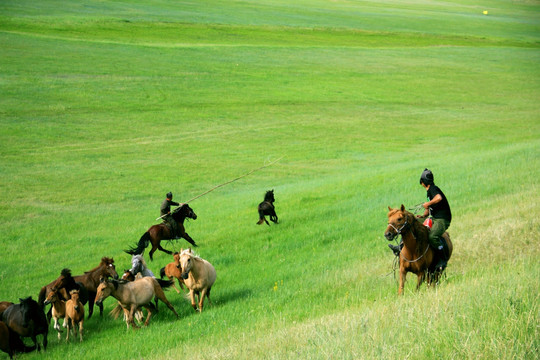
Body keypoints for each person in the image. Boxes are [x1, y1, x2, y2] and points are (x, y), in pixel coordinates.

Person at [388, 169, 452, 271]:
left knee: (432, 236)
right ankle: (400, 247)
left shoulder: (433, 189)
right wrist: (423, 216)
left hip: (442, 219)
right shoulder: (429, 192)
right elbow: (429, 208)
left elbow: (439, 198)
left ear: (422, 182)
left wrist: (428, 204)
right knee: (410, 224)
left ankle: (442, 258)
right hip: (433, 217)